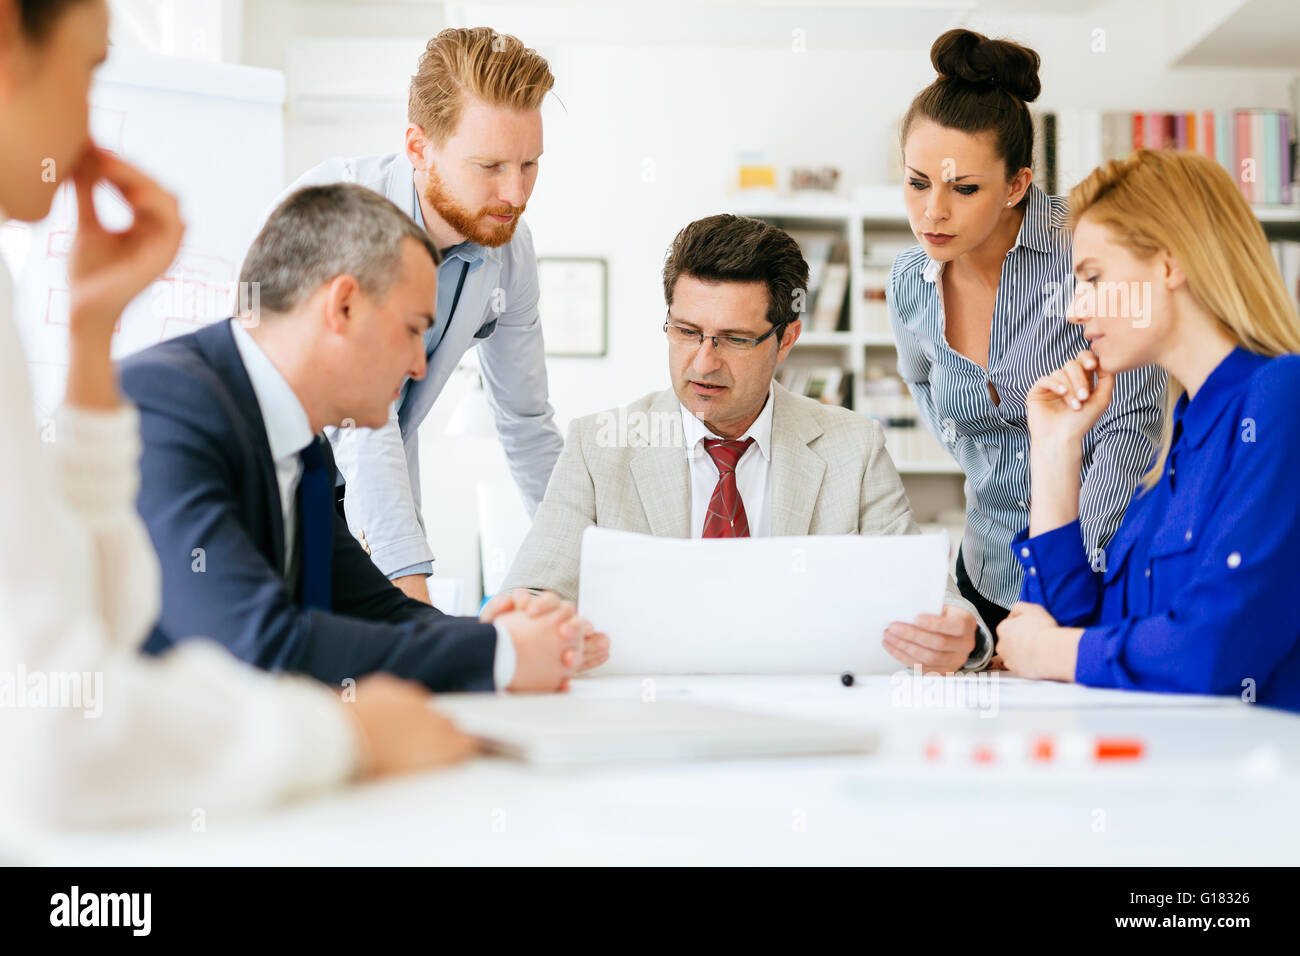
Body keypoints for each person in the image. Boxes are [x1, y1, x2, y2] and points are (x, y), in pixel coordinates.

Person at [0, 0, 518, 827]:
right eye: (92, 68)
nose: (95, 128)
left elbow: (98, 620)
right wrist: (347, 735)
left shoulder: (299, 438)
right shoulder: (183, 401)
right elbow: (52, 727)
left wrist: (93, 335)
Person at [121, 183, 609, 694]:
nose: (421, 366)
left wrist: (502, 634)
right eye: (414, 328)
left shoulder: (302, 445)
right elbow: (255, 645)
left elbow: (376, 609)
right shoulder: (162, 404)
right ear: (345, 306)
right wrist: (498, 654)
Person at [506, 214, 994, 673]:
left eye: (734, 339)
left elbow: (929, 598)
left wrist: (962, 635)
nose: (702, 363)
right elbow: (535, 587)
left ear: (786, 339)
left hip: (803, 719)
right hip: (643, 716)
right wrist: (522, 621)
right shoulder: (599, 446)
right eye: (686, 331)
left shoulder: (854, 447)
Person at [996, 149, 1300, 711]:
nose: (1073, 311)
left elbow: (1216, 648)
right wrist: (1056, 449)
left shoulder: (1283, 396)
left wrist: (1048, 651)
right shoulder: (1175, 452)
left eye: (1093, 277)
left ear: (1169, 264)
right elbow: (1079, 629)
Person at [887, 28, 1165, 637]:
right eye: (916, 182)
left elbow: (1132, 422)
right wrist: (990, 477)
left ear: (1016, 184)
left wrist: (1060, 583)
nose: (932, 212)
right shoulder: (910, 277)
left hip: (1089, 575)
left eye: (963, 189)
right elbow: (926, 389)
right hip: (981, 574)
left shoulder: (1087, 246)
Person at [280, 27, 565, 604]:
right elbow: (367, 420)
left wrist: (589, 564)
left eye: (529, 163)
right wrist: (411, 599)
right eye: (490, 166)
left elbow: (528, 423)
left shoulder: (508, 247)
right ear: (418, 147)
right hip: (267, 486)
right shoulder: (342, 211)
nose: (516, 193)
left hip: (367, 497)